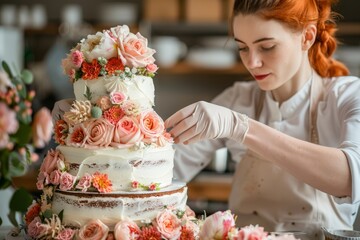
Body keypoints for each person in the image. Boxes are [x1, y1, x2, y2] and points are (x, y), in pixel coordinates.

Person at [164, 0, 360, 239]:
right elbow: (168, 170)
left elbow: (349, 178)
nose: (252, 63)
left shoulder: (347, 96)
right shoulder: (238, 99)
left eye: (266, 46)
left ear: (307, 37)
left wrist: (241, 127)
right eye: (242, 48)